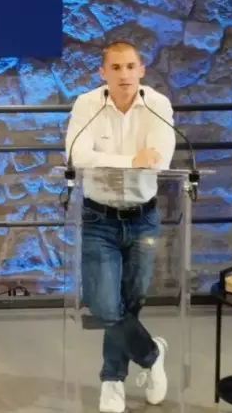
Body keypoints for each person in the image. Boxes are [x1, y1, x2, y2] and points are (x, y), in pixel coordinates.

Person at [63, 40, 176, 413]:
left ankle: (112, 380)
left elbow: (158, 160)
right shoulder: (87, 105)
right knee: (103, 305)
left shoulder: (158, 105)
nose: (124, 74)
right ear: (103, 73)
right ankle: (151, 354)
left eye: (130, 67)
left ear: (141, 70)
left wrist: (110, 159)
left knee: (130, 302)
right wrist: (130, 160)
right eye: (116, 68)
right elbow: (77, 155)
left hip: (143, 218)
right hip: (100, 218)